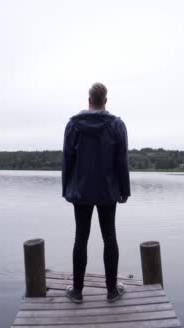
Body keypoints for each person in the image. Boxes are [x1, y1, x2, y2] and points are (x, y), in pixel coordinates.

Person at [62, 82, 130, 303]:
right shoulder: (117, 125)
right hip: (108, 191)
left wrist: (67, 189)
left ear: (89, 100)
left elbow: (67, 160)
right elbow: (122, 161)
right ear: (106, 101)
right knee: (109, 236)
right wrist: (124, 190)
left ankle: (77, 292)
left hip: (80, 191)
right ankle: (111, 291)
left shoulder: (73, 125)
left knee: (80, 238)